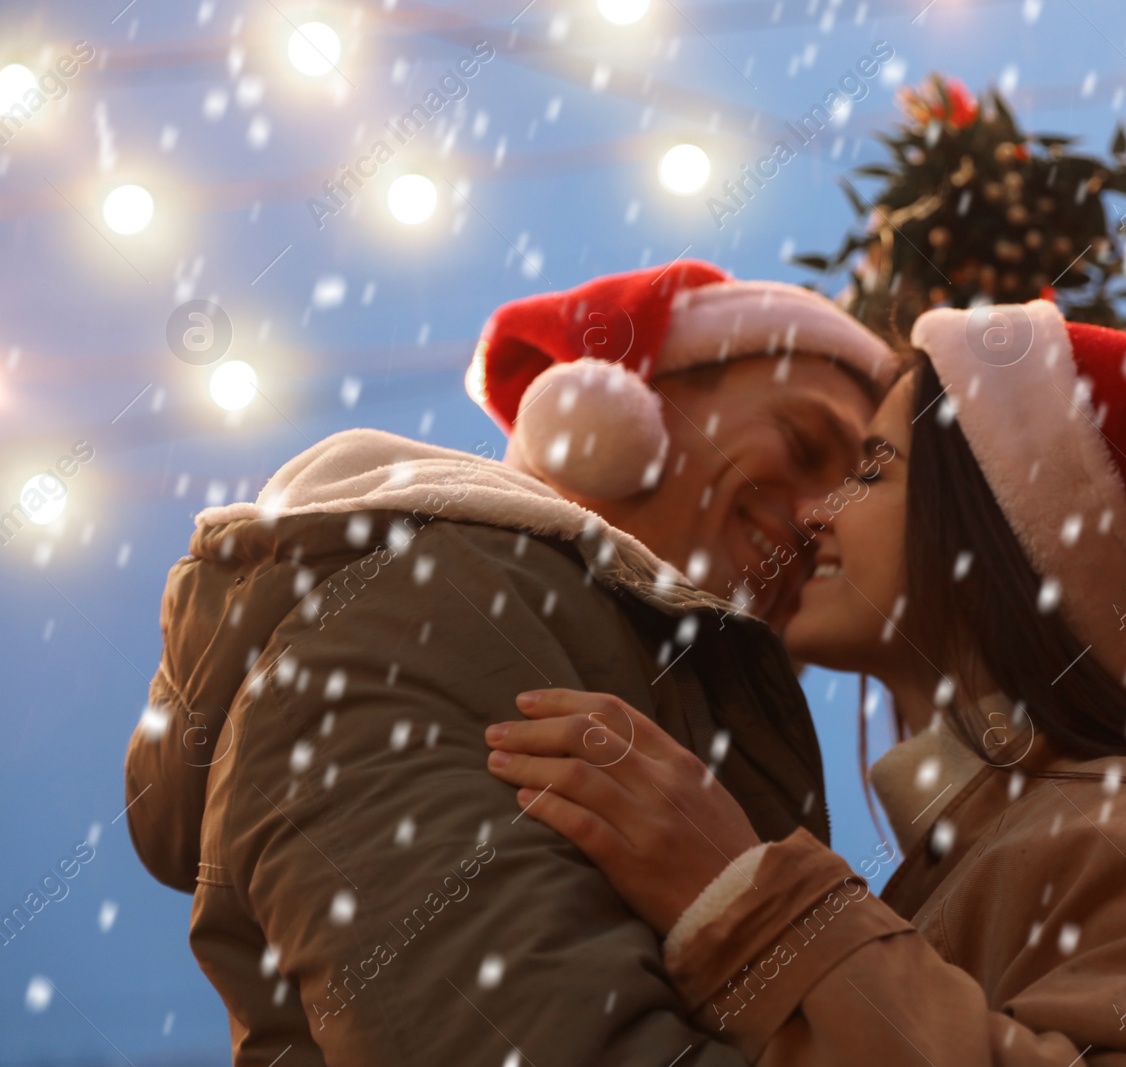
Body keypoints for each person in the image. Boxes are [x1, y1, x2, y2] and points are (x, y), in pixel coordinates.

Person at [484, 300, 1126, 1065]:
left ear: (995, 529)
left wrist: (748, 901)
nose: (816, 515)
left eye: (872, 468)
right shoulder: (986, 855)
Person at [122, 261, 897, 1066]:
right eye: (806, 443)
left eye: (859, 489)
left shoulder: (554, 636)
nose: (823, 516)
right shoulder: (430, 612)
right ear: (613, 412)